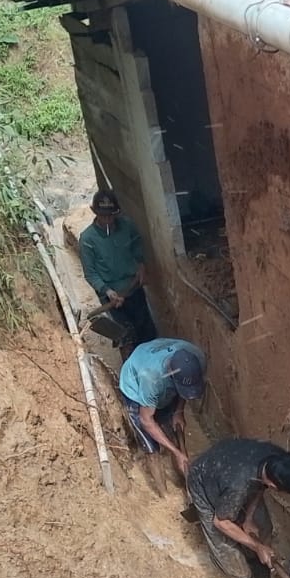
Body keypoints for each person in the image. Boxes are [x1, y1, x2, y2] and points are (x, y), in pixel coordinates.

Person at [187, 439, 290, 578]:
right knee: (225, 546)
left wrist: (248, 519)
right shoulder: (239, 485)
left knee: (262, 526)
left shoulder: (277, 459)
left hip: (229, 465)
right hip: (202, 480)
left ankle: (258, 566)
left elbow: (261, 486)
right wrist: (257, 546)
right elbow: (221, 522)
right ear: (274, 485)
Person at [78, 189, 157, 349]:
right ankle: (131, 367)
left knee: (146, 330)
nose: (108, 220)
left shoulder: (127, 226)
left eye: (111, 216)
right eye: (103, 216)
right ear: (95, 213)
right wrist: (108, 291)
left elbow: (136, 242)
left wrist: (141, 264)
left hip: (133, 288)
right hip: (111, 296)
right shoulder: (87, 240)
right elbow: (90, 273)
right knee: (126, 336)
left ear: (116, 213)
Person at [117, 338, 206, 476]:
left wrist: (179, 411)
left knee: (173, 429)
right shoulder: (151, 379)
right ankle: (162, 493)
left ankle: (182, 472)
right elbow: (146, 420)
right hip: (134, 385)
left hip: (151, 358)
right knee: (151, 446)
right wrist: (176, 452)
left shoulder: (197, 358)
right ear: (171, 373)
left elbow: (185, 389)